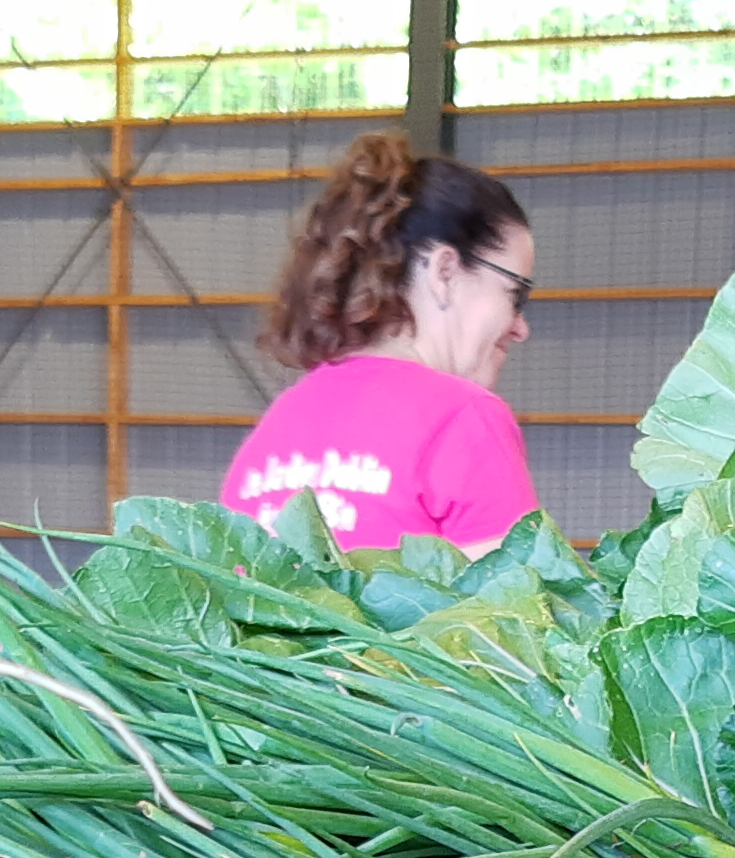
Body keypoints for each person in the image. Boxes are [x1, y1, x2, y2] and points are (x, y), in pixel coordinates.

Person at [223, 133, 538, 559]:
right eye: (514, 294)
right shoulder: (465, 417)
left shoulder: (281, 421)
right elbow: (509, 610)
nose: (520, 327)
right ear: (445, 271)